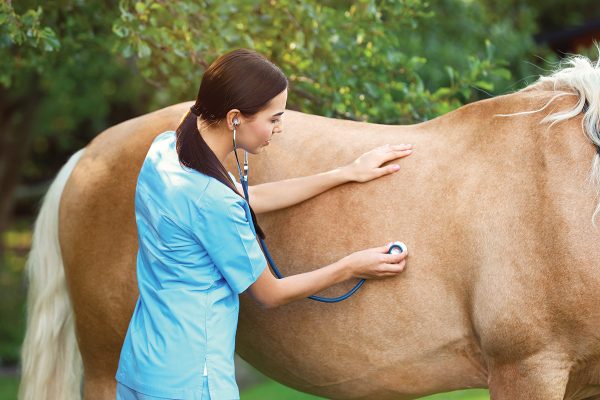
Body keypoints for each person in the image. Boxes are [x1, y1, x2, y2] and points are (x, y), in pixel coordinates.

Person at [115, 48, 413, 400]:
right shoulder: (213, 201)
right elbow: (270, 293)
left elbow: (245, 198)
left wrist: (345, 173)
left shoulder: (165, 150)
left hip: (140, 367)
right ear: (235, 118)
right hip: (193, 381)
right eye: (273, 118)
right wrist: (352, 265)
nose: (279, 128)